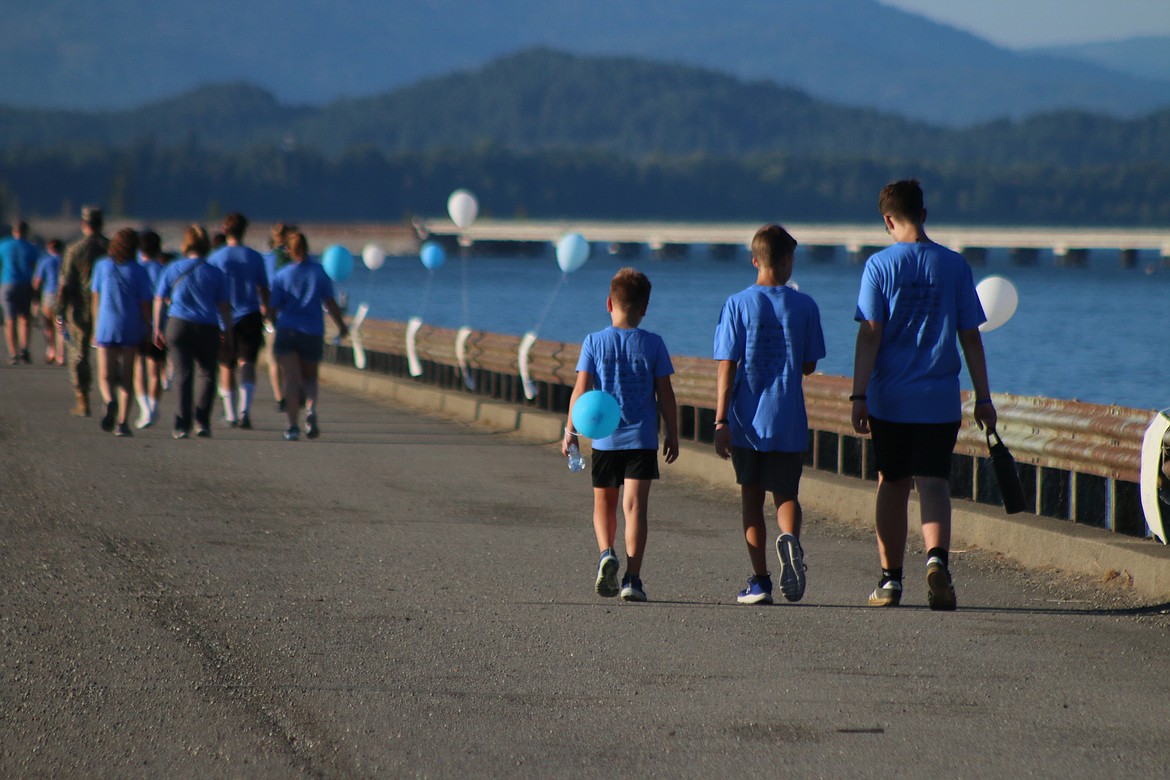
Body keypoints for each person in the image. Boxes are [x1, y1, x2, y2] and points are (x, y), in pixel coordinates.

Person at [850, 179, 996, 611]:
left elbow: (870, 334)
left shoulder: (879, 266)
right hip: (939, 398)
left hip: (890, 399)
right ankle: (937, 561)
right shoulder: (955, 266)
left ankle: (891, 581)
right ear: (925, 215)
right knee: (933, 482)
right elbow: (970, 337)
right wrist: (983, 398)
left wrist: (858, 394)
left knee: (891, 484)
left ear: (888, 220)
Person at [713, 225, 826, 605]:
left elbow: (727, 366)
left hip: (747, 421)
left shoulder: (737, 304)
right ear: (788, 260)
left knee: (751, 498)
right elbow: (809, 364)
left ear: (754, 260)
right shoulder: (805, 305)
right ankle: (790, 541)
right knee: (786, 495)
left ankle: (760, 582)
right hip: (788, 418)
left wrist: (720, 421)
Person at [561, 268, 679, 602]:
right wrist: (672, 432)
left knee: (604, 505)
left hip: (604, 439)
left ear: (609, 303)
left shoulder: (594, 342)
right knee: (635, 509)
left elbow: (581, 390)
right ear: (645, 308)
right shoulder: (654, 344)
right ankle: (633, 579)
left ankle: (606, 553)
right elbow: (665, 394)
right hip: (641, 439)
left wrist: (570, 431)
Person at [268, 231, 348, 441]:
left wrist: (271, 322)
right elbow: (330, 303)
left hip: (287, 330)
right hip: (312, 331)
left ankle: (292, 426)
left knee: (292, 380)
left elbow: (272, 308)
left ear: (288, 250)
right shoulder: (319, 272)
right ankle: (310, 411)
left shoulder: (282, 275)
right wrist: (341, 326)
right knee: (310, 377)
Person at [154, 225, 232, 439]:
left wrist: (157, 328)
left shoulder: (173, 268)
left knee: (182, 375)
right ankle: (202, 421)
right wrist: (228, 332)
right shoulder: (215, 272)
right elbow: (224, 306)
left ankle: (181, 424)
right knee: (207, 373)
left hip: (178, 324)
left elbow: (159, 299)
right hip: (207, 326)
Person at [207, 212, 269, 430]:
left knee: (226, 365)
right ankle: (245, 411)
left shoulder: (216, 257)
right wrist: (268, 311)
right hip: (250, 314)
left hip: (224, 317)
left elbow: (210, 287)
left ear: (225, 230)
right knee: (248, 363)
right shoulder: (254, 256)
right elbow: (263, 288)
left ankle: (231, 414)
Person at [90, 228, 153, 437]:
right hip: (131, 324)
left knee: (105, 374)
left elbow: (96, 299)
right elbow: (145, 304)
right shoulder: (139, 271)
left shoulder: (101, 266)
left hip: (106, 324)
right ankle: (123, 423)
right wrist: (148, 328)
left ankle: (109, 401)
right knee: (127, 377)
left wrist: (94, 326)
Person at [57, 206, 109, 416]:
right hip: (105, 307)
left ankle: (82, 399)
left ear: (83, 224)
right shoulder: (111, 247)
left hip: (79, 308)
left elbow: (66, 282)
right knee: (108, 355)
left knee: (78, 355)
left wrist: (59, 309)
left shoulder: (75, 249)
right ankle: (110, 397)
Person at [133, 230, 168, 428]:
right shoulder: (163, 269)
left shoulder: (136, 268)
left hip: (138, 324)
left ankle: (144, 408)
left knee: (139, 367)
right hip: (160, 324)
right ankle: (154, 408)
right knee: (156, 369)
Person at [262, 222, 296, 413]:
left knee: (273, 359)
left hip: (273, 316)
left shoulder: (268, 259)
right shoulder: (293, 259)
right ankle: (292, 393)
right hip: (293, 317)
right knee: (292, 359)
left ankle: (279, 397)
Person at [0, 220, 39, 365]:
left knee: (9, 320)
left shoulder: (3, 245)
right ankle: (24, 349)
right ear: (26, 232)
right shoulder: (31, 247)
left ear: (14, 231)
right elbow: (36, 266)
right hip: (25, 283)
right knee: (24, 318)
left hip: (7, 283)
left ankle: (13, 353)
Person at [32, 239, 65, 364]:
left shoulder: (45, 261)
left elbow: (37, 281)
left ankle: (51, 350)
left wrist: (35, 297)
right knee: (61, 326)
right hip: (61, 295)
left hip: (48, 294)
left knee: (48, 325)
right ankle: (61, 355)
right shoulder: (64, 260)